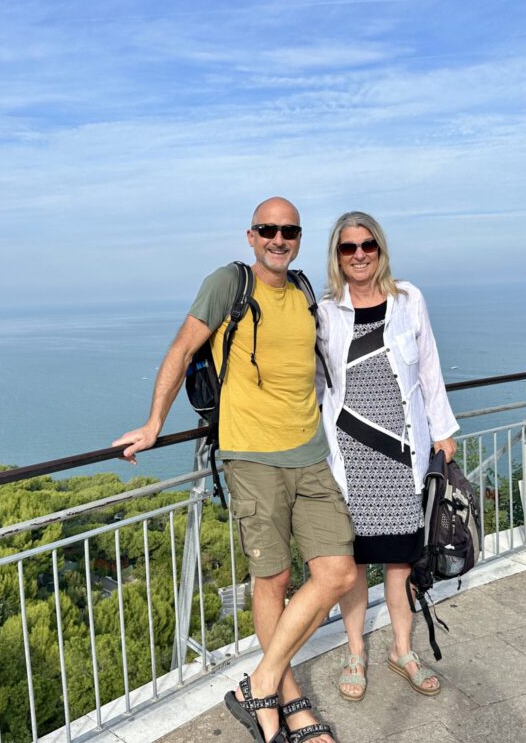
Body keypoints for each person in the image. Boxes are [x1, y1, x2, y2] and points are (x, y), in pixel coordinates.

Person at [113, 197, 355, 743]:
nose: (278, 238)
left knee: (337, 571)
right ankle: (288, 704)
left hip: (310, 452)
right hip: (250, 456)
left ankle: (260, 681)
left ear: (298, 237)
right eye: (268, 229)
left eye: (288, 231)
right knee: (273, 579)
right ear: (251, 236)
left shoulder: (303, 291)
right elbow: (181, 349)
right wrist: (154, 424)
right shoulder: (229, 283)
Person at [315, 211, 459, 701]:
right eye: (348, 247)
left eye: (367, 245)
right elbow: (315, 385)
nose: (358, 255)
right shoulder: (325, 310)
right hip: (350, 454)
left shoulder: (408, 298)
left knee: (400, 564)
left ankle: (402, 650)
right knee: (354, 564)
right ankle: (356, 652)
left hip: (402, 452)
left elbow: (430, 369)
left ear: (380, 248)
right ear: (336, 255)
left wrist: (443, 430)